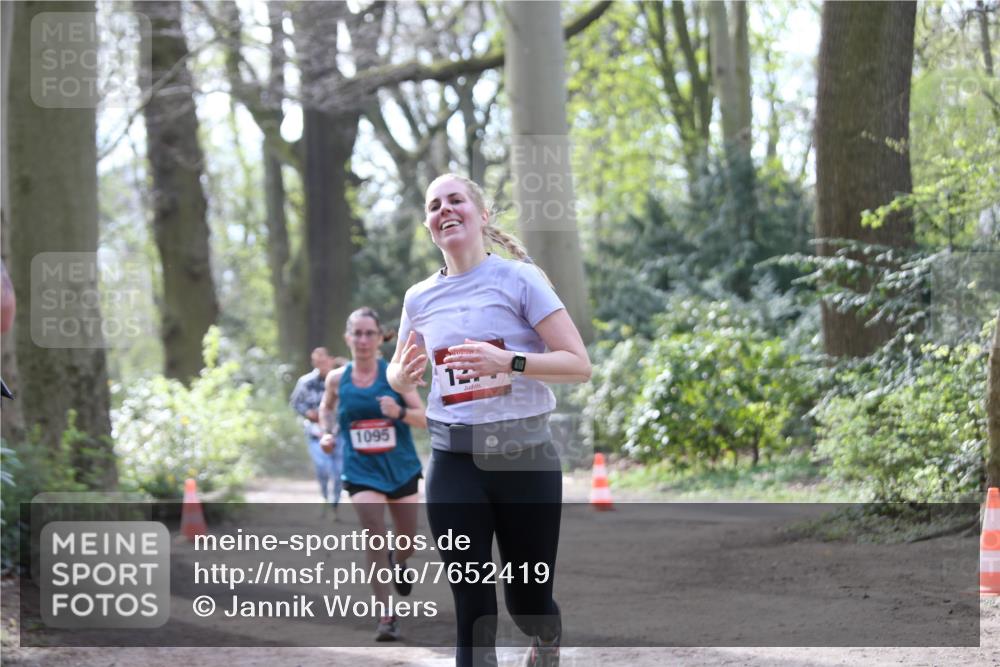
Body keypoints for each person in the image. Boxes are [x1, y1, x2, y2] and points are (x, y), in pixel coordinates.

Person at [387, 174, 591, 667]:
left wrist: (511, 362)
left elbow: (578, 364)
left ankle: (546, 637)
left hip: (525, 460)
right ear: (430, 226)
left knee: (528, 602)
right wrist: (401, 376)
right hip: (454, 462)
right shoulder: (419, 298)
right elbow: (398, 371)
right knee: (473, 608)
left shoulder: (520, 279)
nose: (445, 209)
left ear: (482, 215)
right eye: (435, 205)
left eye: (456, 200)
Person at [319, 307, 427, 642]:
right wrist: (326, 432)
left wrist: (399, 411)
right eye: (357, 333)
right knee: (374, 533)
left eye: (370, 333)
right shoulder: (336, 378)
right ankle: (386, 615)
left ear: (381, 337)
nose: (363, 340)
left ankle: (399, 557)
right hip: (361, 469)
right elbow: (326, 407)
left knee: (406, 538)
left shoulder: (395, 375)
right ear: (347, 338)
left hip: (401, 466)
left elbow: (424, 417)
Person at [289, 347, 346, 513]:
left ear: (331, 359)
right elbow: (295, 402)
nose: (320, 364)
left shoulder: (340, 380)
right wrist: (307, 412)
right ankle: (324, 496)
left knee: (339, 470)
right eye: (316, 361)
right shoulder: (305, 382)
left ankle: (335, 502)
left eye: (323, 360)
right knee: (323, 467)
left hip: (339, 431)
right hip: (315, 432)